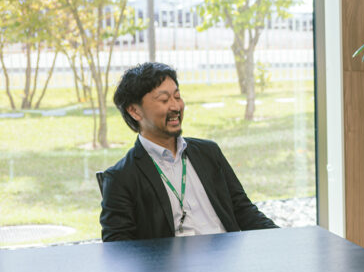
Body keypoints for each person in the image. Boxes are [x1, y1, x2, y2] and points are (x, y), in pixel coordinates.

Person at [99, 62, 277, 241]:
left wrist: (282, 238)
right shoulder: (121, 178)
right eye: (164, 100)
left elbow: (243, 210)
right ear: (135, 111)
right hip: (172, 259)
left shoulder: (209, 153)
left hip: (226, 254)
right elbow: (118, 245)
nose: (175, 107)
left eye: (177, 97)